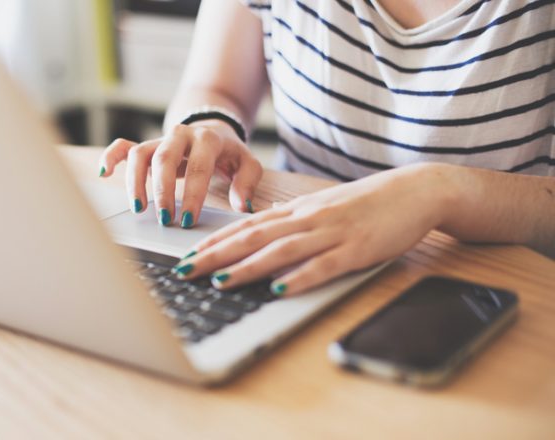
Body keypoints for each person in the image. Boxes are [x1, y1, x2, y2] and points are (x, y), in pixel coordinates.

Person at [99, 0, 555, 297]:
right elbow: (215, 85)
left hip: (484, 297)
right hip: (298, 274)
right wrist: (209, 125)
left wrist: (439, 191)